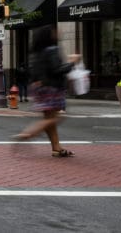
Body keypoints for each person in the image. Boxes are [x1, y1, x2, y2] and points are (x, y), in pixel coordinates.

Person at [12, 25, 80, 157]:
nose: (58, 32)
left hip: (40, 88)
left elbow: (33, 71)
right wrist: (72, 62)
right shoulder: (53, 50)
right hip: (53, 88)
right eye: (55, 31)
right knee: (58, 117)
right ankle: (27, 134)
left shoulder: (38, 52)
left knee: (50, 118)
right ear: (50, 35)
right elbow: (57, 69)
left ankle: (56, 148)